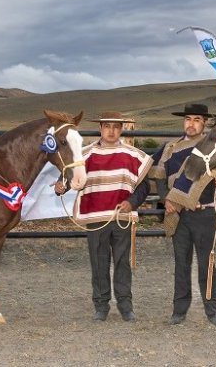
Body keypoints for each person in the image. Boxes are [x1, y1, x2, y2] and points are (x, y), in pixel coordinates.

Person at [55, 111, 153, 322]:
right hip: (95, 216)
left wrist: (132, 202)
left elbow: (144, 186)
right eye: (107, 126)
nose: (111, 131)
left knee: (122, 262)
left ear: (121, 129)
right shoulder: (85, 154)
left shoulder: (133, 155)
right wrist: (61, 187)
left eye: (116, 127)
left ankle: (126, 306)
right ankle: (101, 305)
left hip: (121, 216)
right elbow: (68, 177)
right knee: (99, 262)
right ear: (100, 128)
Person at [149, 103, 216, 326]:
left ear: (204, 123)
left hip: (205, 213)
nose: (191, 124)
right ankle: (179, 309)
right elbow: (159, 176)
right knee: (181, 263)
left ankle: (211, 310)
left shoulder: (213, 147)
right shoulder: (170, 148)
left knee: (208, 263)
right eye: (188, 119)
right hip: (179, 214)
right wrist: (166, 199)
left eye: (197, 119)